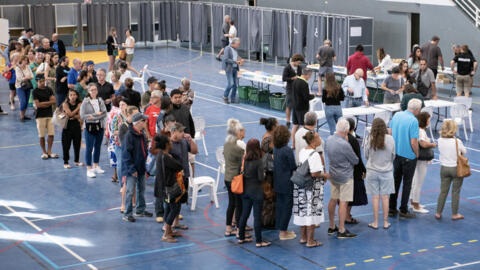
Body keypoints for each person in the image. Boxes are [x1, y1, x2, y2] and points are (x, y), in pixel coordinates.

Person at [294, 131, 330, 247]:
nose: (320, 139)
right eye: (319, 137)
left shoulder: (302, 151)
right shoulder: (314, 155)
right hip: (312, 188)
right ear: (314, 141)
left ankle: (303, 237)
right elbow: (314, 173)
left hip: (301, 186)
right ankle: (310, 240)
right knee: (311, 212)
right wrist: (325, 175)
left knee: (303, 211)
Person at [388, 98, 422, 219]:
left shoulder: (397, 115)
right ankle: (403, 209)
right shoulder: (413, 121)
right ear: (417, 109)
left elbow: (390, 132)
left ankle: (391, 209)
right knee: (407, 184)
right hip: (408, 156)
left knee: (395, 182)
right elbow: (414, 142)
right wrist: (417, 154)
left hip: (396, 154)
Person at [325, 119, 359, 239]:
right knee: (343, 203)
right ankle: (342, 229)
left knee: (333, 199)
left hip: (333, 174)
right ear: (346, 130)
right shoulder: (345, 144)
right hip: (345, 177)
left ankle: (331, 226)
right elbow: (355, 160)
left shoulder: (328, 139)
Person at [237, 139, 270, 247]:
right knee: (257, 217)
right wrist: (264, 174)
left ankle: (241, 237)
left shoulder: (245, 159)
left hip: (245, 191)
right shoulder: (259, 162)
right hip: (256, 192)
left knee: (244, 215)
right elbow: (261, 178)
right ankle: (259, 241)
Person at [364, 118, 396, 230]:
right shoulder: (391, 139)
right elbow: (393, 155)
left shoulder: (369, 138)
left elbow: (366, 155)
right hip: (386, 172)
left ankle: (376, 222)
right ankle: (386, 222)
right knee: (385, 197)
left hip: (372, 171)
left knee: (375, 198)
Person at [122, 112, 153, 222]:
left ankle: (140, 210)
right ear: (138, 122)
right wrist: (132, 169)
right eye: (144, 120)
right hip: (132, 169)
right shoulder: (129, 136)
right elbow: (126, 155)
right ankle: (127, 213)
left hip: (141, 167)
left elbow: (144, 151)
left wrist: (144, 167)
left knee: (142, 189)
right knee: (130, 191)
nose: (146, 122)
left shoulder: (142, 133)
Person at [153, 134, 184, 242]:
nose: (172, 144)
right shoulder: (166, 157)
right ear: (166, 145)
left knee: (169, 208)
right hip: (168, 188)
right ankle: (166, 234)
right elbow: (179, 166)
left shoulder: (161, 155)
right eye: (170, 143)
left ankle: (169, 230)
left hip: (163, 187)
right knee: (174, 208)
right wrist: (173, 157)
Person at [436, 120, 467, 220]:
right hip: (456, 168)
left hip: (444, 168)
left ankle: (438, 212)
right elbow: (464, 151)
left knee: (443, 191)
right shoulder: (457, 141)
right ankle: (454, 214)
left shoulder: (439, 140)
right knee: (455, 192)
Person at [169, 122, 198, 230]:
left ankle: (176, 222)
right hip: (173, 178)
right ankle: (168, 225)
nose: (183, 133)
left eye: (183, 131)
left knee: (180, 200)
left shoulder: (184, 142)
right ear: (173, 132)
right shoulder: (169, 145)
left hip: (184, 175)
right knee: (172, 203)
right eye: (180, 131)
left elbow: (195, 151)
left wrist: (191, 141)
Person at [273, 125, 297, 240]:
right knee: (287, 206)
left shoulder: (275, 148)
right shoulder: (287, 150)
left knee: (280, 205)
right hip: (287, 182)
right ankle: (283, 232)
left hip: (277, 180)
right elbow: (293, 166)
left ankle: (281, 228)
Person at [409, 112, 436, 213]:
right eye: (428, 119)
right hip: (421, 160)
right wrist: (433, 145)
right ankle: (416, 205)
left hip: (417, 159)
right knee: (418, 182)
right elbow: (423, 144)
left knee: (415, 181)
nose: (429, 121)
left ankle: (412, 202)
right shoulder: (421, 131)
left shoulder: (419, 130)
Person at [80, 83, 108, 178]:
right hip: (89, 127)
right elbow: (82, 116)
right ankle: (89, 168)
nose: (94, 91)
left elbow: (104, 113)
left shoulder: (100, 100)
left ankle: (96, 165)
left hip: (99, 126)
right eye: (92, 90)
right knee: (89, 147)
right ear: (88, 91)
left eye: (95, 89)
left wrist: (94, 116)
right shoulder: (85, 102)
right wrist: (96, 114)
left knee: (98, 147)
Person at [223, 119, 245, 237]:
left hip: (227, 177)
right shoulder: (238, 148)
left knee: (231, 204)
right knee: (238, 204)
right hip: (235, 179)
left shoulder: (226, 145)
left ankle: (228, 228)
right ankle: (238, 230)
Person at [345, 118, 367, 224]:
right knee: (351, 195)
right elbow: (357, 158)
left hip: (340, 171)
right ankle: (347, 216)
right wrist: (364, 170)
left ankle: (346, 214)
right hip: (352, 172)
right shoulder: (353, 140)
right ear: (353, 128)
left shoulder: (338, 138)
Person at [119, 106, 140, 213]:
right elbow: (125, 144)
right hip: (127, 159)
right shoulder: (123, 127)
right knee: (126, 183)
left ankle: (133, 202)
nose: (137, 117)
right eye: (135, 115)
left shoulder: (135, 125)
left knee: (134, 182)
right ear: (128, 115)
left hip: (136, 157)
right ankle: (123, 204)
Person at [32, 74, 58, 160]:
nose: (43, 83)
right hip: (40, 116)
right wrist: (48, 102)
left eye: (43, 81)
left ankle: (49, 151)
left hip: (49, 114)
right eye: (40, 81)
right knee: (42, 135)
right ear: (37, 82)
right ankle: (44, 152)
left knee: (51, 134)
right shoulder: (35, 91)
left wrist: (42, 103)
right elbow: (37, 105)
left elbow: (54, 101)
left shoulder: (49, 89)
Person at [259, 117, 278, 229]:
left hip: (267, 170)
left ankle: (268, 220)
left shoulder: (266, 136)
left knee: (268, 197)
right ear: (273, 127)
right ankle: (267, 221)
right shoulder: (269, 139)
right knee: (269, 197)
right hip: (269, 172)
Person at [292, 68, 314, 146]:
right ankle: (303, 144)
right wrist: (313, 96)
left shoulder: (295, 80)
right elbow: (306, 97)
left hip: (295, 106)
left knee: (295, 126)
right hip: (302, 108)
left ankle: (293, 144)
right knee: (304, 127)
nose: (310, 77)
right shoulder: (304, 84)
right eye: (310, 76)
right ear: (307, 75)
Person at [62, 89, 83, 169]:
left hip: (76, 126)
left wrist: (72, 115)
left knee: (77, 144)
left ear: (77, 96)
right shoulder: (65, 104)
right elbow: (70, 114)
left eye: (74, 95)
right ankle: (66, 162)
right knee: (66, 145)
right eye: (71, 95)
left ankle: (76, 161)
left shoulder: (80, 103)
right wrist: (77, 109)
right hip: (67, 126)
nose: (73, 96)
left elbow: (81, 116)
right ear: (68, 96)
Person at [282, 54, 304, 128]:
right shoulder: (287, 67)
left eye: (300, 63)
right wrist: (292, 78)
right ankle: (288, 121)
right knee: (289, 106)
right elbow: (284, 78)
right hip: (290, 89)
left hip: (298, 89)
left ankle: (297, 120)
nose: (299, 64)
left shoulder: (299, 68)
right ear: (294, 60)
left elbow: (300, 76)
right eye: (298, 62)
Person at [107, 96, 124, 182]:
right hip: (118, 138)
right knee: (120, 159)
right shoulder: (119, 112)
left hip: (111, 137)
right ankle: (120, 177)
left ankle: (115, 175)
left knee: (114, 157)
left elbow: (108, 125)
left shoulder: (111, 111)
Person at [222, 38, 243, 104]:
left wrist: (240, 60)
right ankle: (225, 96)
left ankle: (233, 99)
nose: (238, 46)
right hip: (229, 69)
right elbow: (226, 59)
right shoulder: (227, 48)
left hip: (235, 68)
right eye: (237, 44)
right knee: (231, 83)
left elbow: (235, 56)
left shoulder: (235, 49)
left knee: (235, 85)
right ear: (234, 43)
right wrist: (235, 62)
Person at [15, 55, 34, 121]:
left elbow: (32, 76)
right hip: (20, 86)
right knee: (23, 101)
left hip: (27, 86)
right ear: (21, 60)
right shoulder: (18, 68)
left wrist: (25, 77)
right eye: (24, 60)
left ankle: (24, 115)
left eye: (26, 60)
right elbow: (19, 78)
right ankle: (21, 116)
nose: (26, 62)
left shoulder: (28, 67)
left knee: (26, 102)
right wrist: (27, 77)